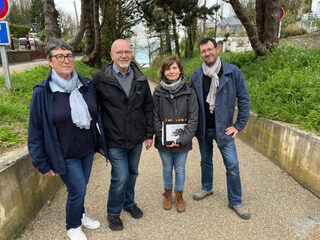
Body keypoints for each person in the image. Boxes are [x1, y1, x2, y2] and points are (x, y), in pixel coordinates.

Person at [28, 38, 107, 240]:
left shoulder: (85, 85)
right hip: (64, 154)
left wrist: (99, 143)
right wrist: (41, 162)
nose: (66, 60)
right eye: (60, 56)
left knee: (81, 188)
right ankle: (72, 226)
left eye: (69, 55)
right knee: (77, 190)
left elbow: (94, 116)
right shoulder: (43, 92)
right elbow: (36, 130)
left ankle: (79, 215)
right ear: (49, 61)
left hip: (87, 150)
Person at [92, 39, 153, 231]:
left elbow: (148, 107)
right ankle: (113, 212)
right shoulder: (101, 78)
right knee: (120, 176)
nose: (124, 55)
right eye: (119, 52)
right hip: (114, 139)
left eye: (127, 51)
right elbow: (92, 108)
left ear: (131, 54)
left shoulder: (141, 78)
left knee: (133, 173)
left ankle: (129, 202)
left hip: (136, 138)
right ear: (112, 55)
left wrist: (149, 133)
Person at [190, 37, 251, 219]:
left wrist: (238, 125)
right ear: (200, 54)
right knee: (205, 160)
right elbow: (189, 100)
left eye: (210, 49)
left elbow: (244, 99)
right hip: (203, 128)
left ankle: (235, 200)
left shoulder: (233, 72)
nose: (207, 53)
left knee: (232, 164)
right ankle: (207, 187)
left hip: (224, 128)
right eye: (203, 51)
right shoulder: (196, 75)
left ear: (217, 49)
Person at [153, 56, 198, 213]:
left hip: (183, 142)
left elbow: (193, 118)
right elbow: (155, 117)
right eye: (168, 68)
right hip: (163, 142)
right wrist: (163, 138)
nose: (171, 71)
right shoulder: (158, 92)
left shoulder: (189, 92)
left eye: (174, 68)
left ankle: (179, 196)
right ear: (163, 72)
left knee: (180, 169)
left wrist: (183, 139)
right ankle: (167, 195)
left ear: (180, 70)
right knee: (166, 168)